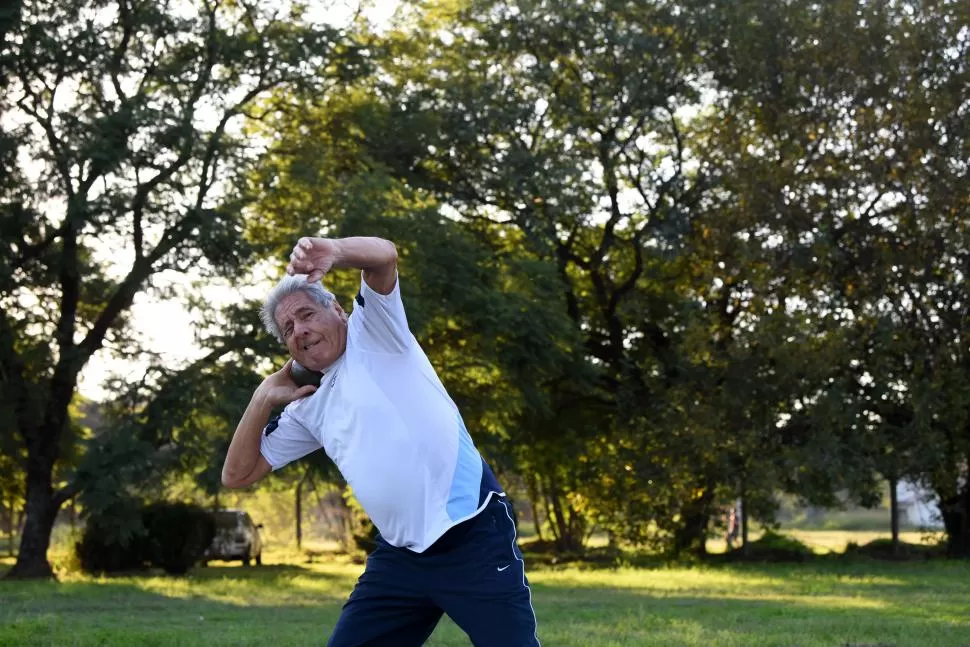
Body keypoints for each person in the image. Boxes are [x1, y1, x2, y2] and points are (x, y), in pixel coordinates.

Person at [221, 236, 540, 647]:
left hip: (473, 537)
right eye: (288, 328)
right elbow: (237, 474)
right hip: (399, 560)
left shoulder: (376, 333)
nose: (300, 329)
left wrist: (333, 252)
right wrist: (263, 395)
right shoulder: (306, 406)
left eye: (306, 314)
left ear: (337, 310)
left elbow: (385, 256)